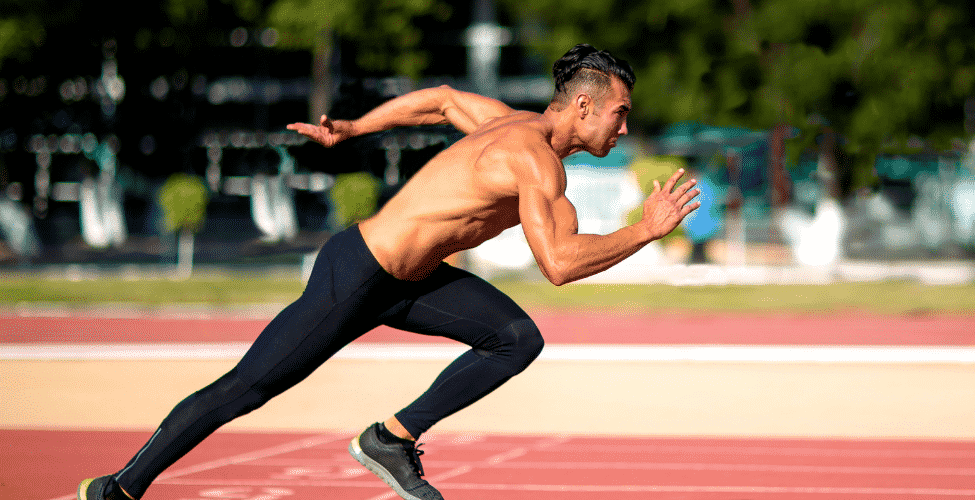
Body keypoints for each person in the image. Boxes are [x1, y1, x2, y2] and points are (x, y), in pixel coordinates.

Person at [79, 43, 700, 500]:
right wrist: (644, 230)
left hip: (411, 283)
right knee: (246, 389)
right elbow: (559, 264)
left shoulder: (512, 125)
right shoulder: (533, 159)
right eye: (619, 113)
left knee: (516, 338)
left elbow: (441, 102)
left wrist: (355, 127)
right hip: (357, 274)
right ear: (584, 104)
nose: (624, 126)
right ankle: (120, 488)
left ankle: (390, 439)